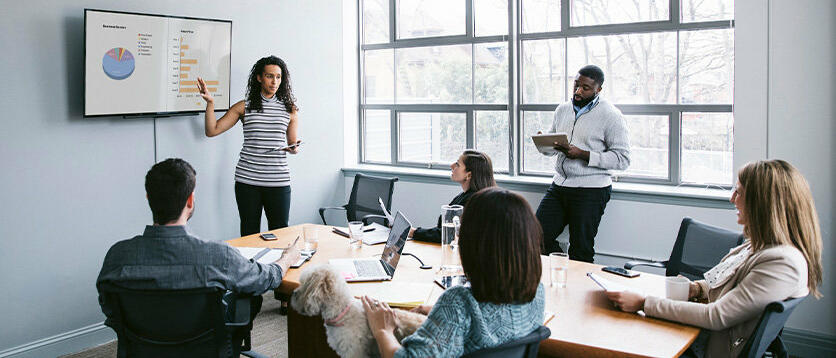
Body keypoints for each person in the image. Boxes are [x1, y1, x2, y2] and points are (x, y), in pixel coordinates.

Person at [606, 159, 823, 358]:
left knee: (616, 339)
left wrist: (644, 303)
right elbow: (732, 284)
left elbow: (717, 316)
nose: (732, 199)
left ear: (761, 203)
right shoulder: (760, 245)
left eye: (739, 192)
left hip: (707, 348)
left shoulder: (782, 263)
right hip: (701, 337)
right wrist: (697, 289)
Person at [96, 158, 302, 354]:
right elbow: (265, 279)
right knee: (249, 295)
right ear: (190, 200)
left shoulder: (117, 256)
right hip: (206, 351)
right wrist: (287, 259)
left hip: (142, 350)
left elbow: (110, 309)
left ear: (149, 199)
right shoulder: (217, 255)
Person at [363, 187, 545, 358]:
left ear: (473, 244)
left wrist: (382, 330)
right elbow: (495, 318)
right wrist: (441, 313)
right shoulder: (537, 293)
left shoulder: (458, 302)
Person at [535, 64, 630, 262]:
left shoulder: (611, 115)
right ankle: (559, 268)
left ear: (598, 89)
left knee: (581, 249)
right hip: (560, 186)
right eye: (576, 85)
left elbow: (622, 159)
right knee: (534, 237)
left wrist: (583, 154)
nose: (578, 91)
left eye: (585, 88)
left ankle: (579, 289)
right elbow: (554, 149)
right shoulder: (562, 110)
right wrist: (545, 143)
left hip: (591, 191)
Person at [198, 55, 301, 236]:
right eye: (269, 76)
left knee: (280, 233)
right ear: (259, 78)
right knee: (249, 232)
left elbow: (293, 144)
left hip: (278, 180)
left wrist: (294, 148)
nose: (274, 81)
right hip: (248, 181)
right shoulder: (244, 107)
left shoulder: (289, 109)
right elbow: (212, 130)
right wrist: (211, 103)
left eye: (278, 77)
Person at [409, 150, 496, 242]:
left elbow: (449, 235)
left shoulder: (472, 201)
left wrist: (413, 232)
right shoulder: (465, 196)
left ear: (469, 174)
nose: (452, 166)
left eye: (457, 164)